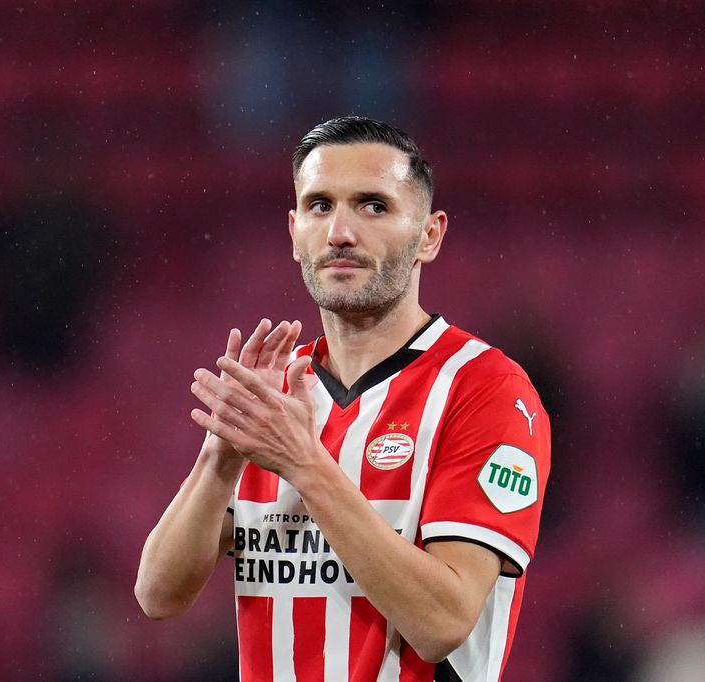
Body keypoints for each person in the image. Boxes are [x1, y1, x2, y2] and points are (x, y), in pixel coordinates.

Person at [134, 116, 551, 682]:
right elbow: (158, 595)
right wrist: (220, 456)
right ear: (294, 229)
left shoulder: (485, 390)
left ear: (429, 234)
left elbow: (442, 622)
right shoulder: (276, 394)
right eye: (320, 206)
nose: (340, 233)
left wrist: (305, 465)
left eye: (373, 206)